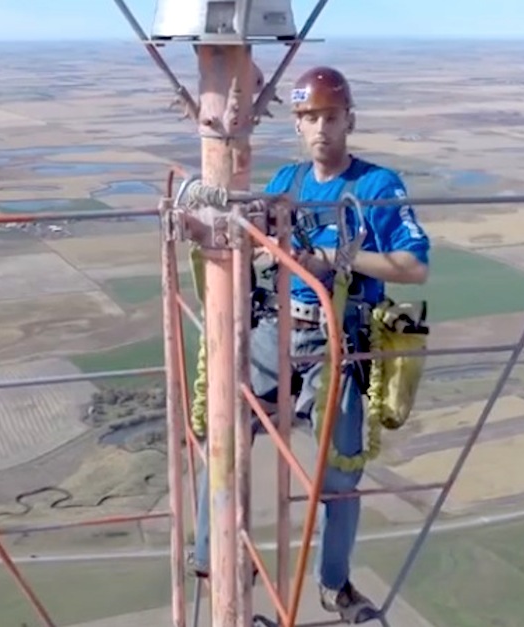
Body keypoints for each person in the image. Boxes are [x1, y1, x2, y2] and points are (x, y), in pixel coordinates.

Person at [190, 65, 431, 624]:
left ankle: (333, 584)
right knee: (225, 431)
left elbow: (413, 267)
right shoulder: (287, 185)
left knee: (340, 475)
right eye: (308, 118)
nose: (320, 128)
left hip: (337, 342)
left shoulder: (376, 188)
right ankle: (214, 559)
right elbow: (255, 245)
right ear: (297, 125)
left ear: (350, 120)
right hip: (276, 328)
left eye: (329, 116)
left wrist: (332, 260)